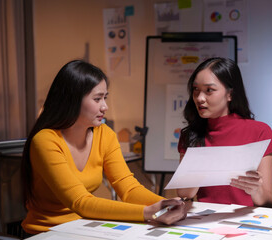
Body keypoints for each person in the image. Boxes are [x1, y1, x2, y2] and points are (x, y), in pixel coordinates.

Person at [21, 60, 188, 235]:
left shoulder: (104, 134)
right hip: (46, 233)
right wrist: (148, 213)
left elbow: (128, 188)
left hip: (84, 229)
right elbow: (81, 202)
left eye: (105, 98)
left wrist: (166, 205)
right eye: (97, 99)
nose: (104, 106)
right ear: (72, 100)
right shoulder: (45, 141)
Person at [176, 57, 272, 208]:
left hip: (245, 221)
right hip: (205, 220)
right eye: (196, 90)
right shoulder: (190, 135)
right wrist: (198, 169)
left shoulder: (260, 132)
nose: (199, 98)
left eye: (209, 90)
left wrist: (255, 190)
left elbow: (268, 200)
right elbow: (184, 194)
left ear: (230, 94)